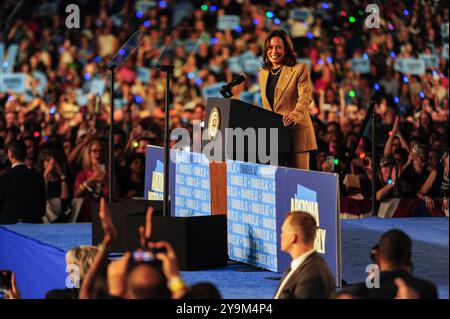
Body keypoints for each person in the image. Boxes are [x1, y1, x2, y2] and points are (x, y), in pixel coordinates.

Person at [259, 29, 317, 170]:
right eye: (271, 47)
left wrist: (294, 115)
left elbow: (305, 98)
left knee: (298, 183)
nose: (274, 51)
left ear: (286, 49)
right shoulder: (263, 73)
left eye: (279, 47)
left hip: (296, 132)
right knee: (276, 181)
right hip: (275, 135)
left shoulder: (300, 69)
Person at [347, 229, 438, 299]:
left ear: (377, 256)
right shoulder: (427, 290)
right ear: (409, 258)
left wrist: (372, 283)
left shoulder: (357, 293)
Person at [274, 211, 335, 299]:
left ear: (293, 237)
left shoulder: (312, 276)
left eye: (283, 231)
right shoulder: (298, 266)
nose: (281, 235)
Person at [0, 140, 46, 224]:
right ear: (25, 154)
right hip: (34, 227)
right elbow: (42, 211)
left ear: (10, 154)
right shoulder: (38, 178)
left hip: (8, 229)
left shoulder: (3, 179)